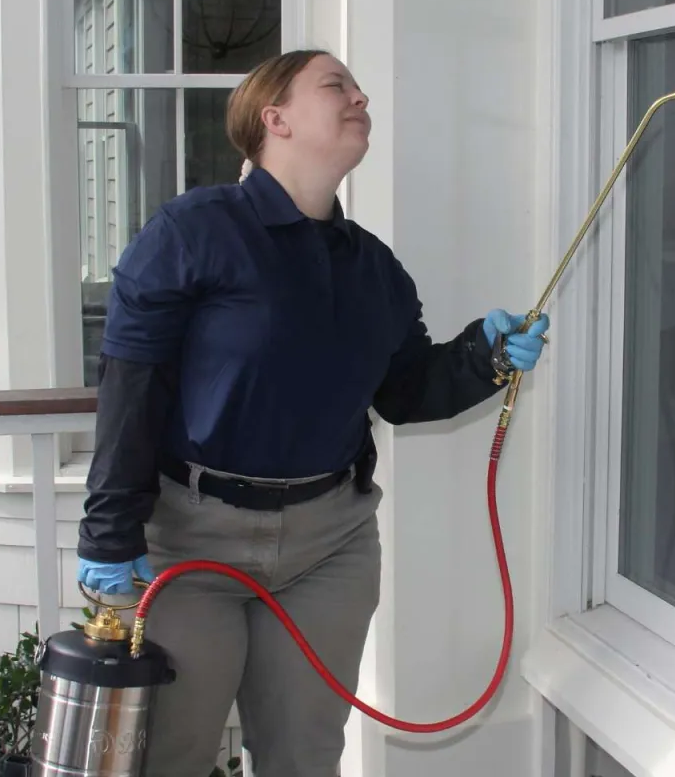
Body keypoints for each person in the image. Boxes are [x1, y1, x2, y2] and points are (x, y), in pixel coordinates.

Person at [74, 48, 550, 777]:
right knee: (171, 754)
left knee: (305, 757)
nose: (360, 98)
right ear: (276, 119)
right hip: (191, 543)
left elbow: (405, 390)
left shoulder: (375, 268)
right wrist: (109, 533)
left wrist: (481, 355)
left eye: (360, 90)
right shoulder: (193, 232)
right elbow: (131, 387)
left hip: (330, 547)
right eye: (337, 86)